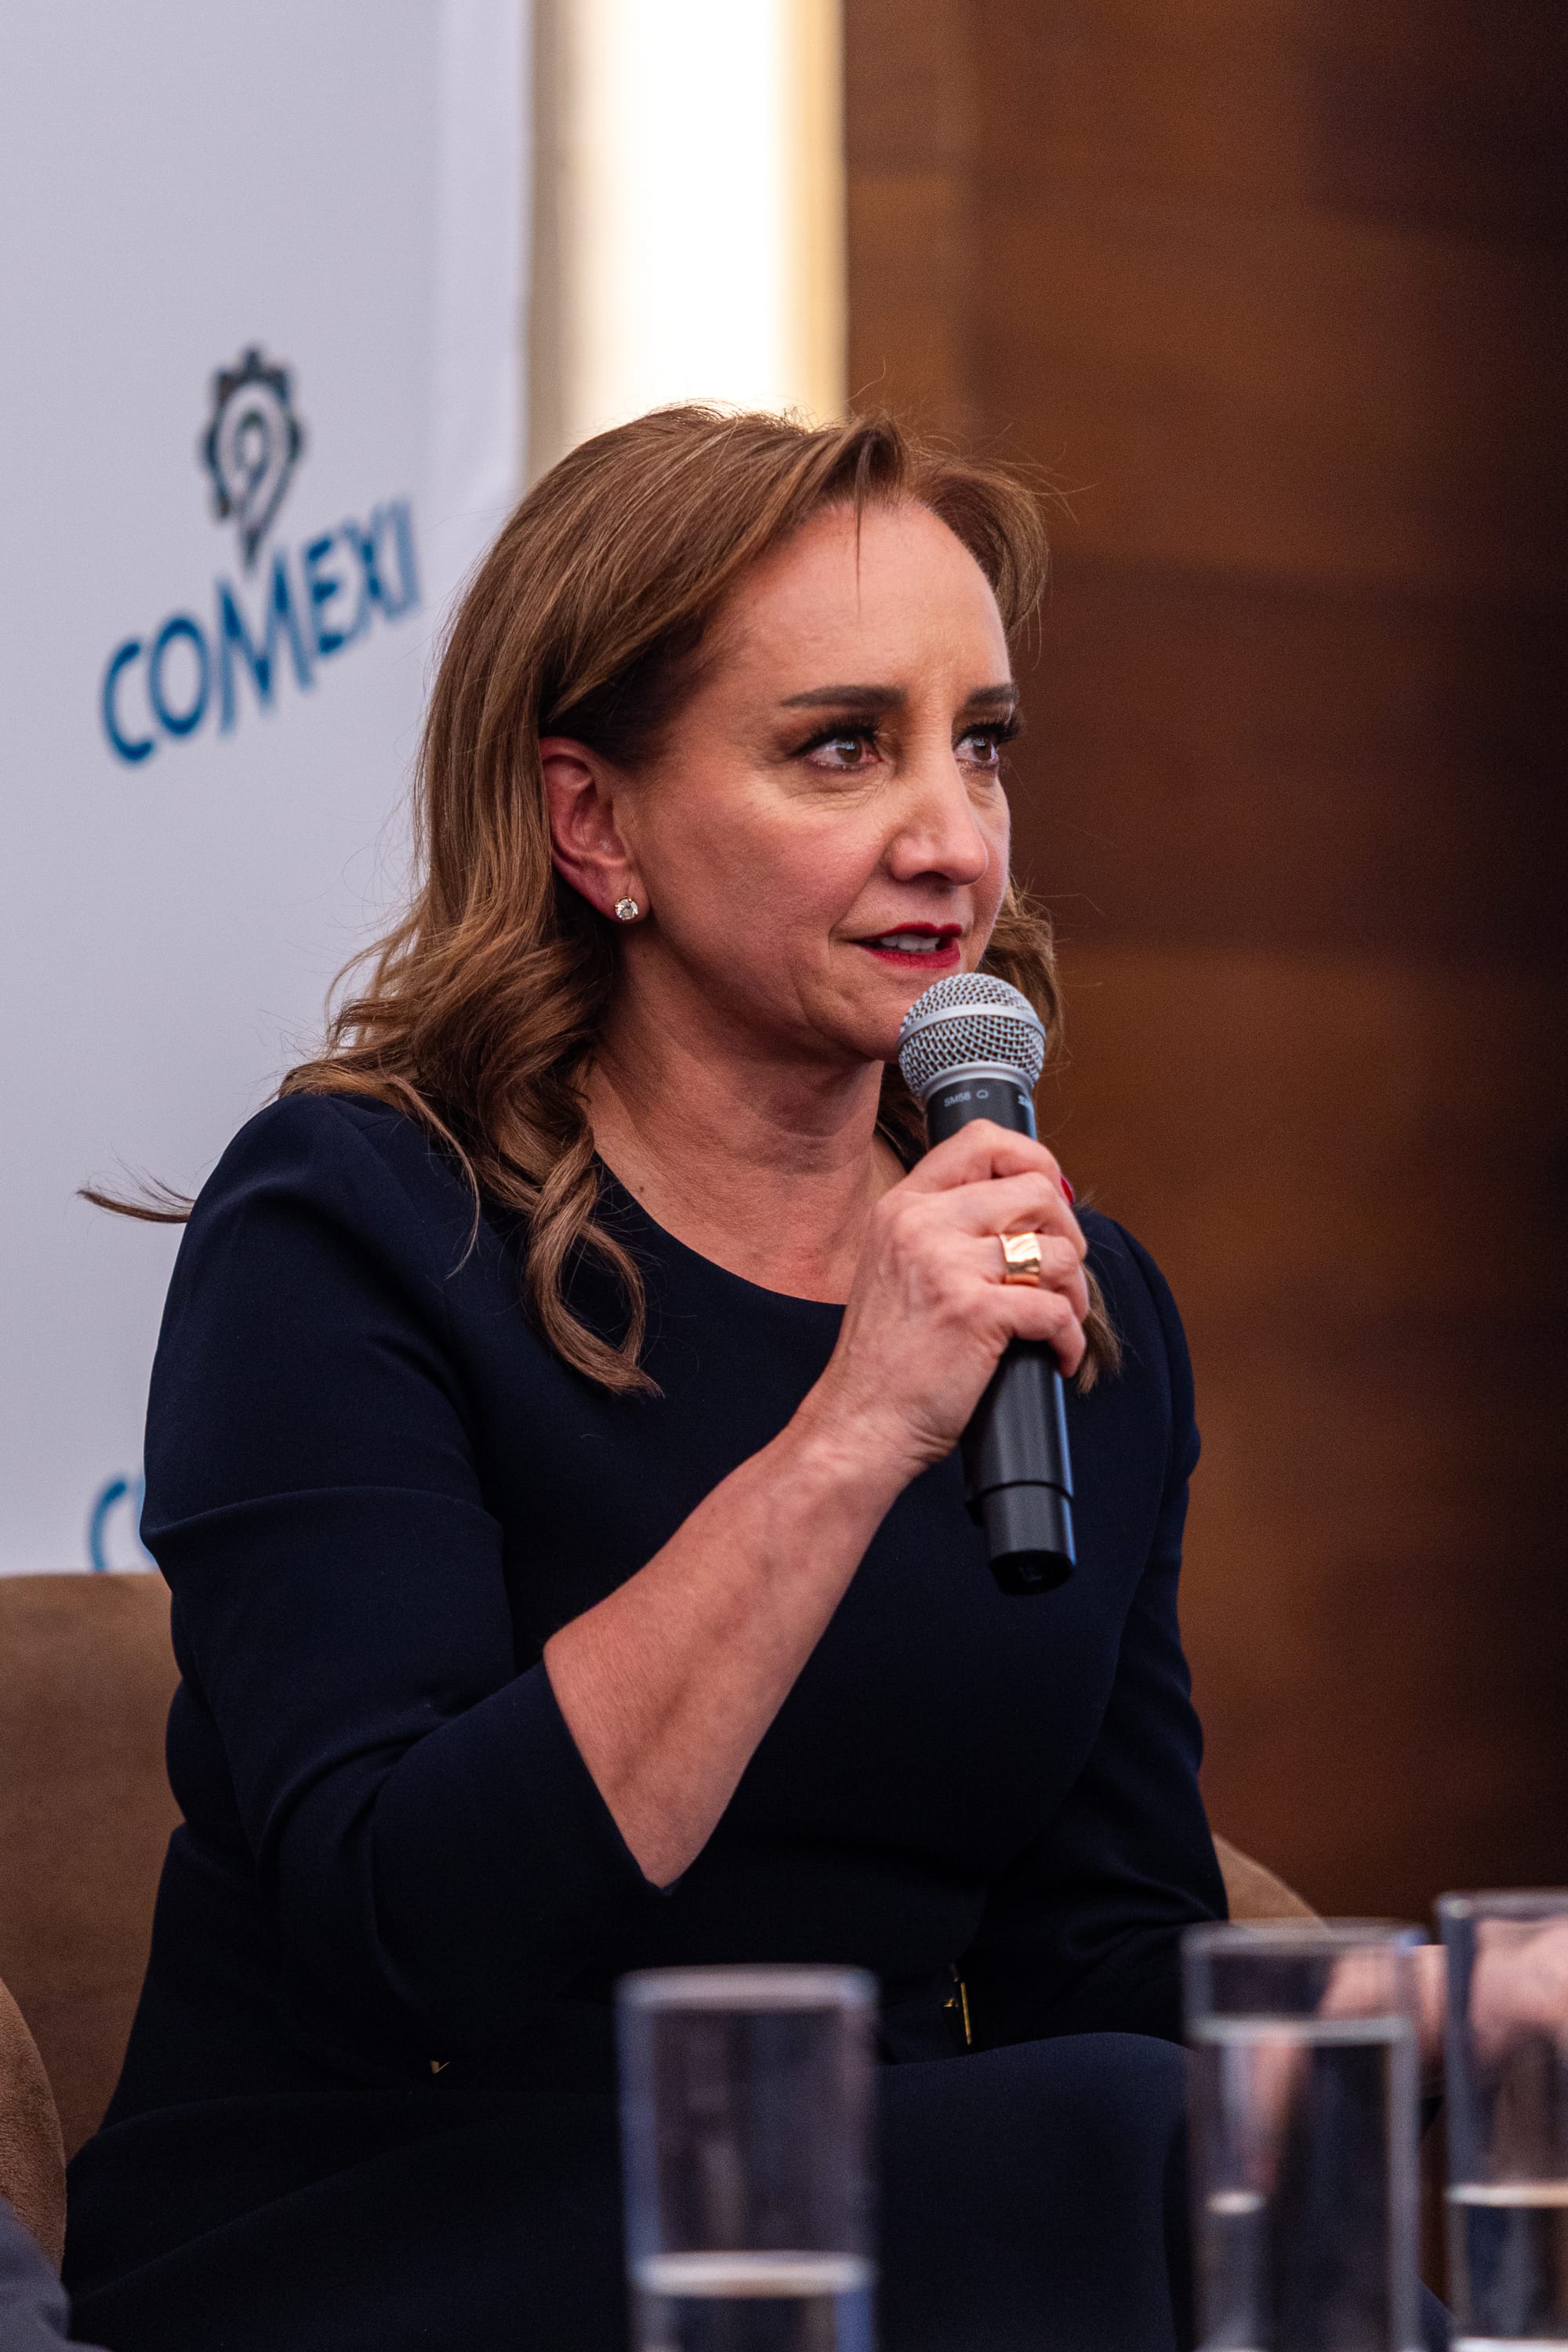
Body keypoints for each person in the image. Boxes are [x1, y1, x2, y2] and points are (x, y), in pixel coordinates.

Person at [67, 408, 1229, 2351]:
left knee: (1220, 2148)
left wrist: (1432, 2016)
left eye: (980, 744)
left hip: (868, 2215)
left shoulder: (1065, 1303)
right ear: (593, 823)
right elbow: (409, 1931)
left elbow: (1100, 1966)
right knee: (1128, 2145)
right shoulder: (352, 1223)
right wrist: (853, 1429)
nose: (952, 838)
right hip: (371, 2224)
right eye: (841, 747)